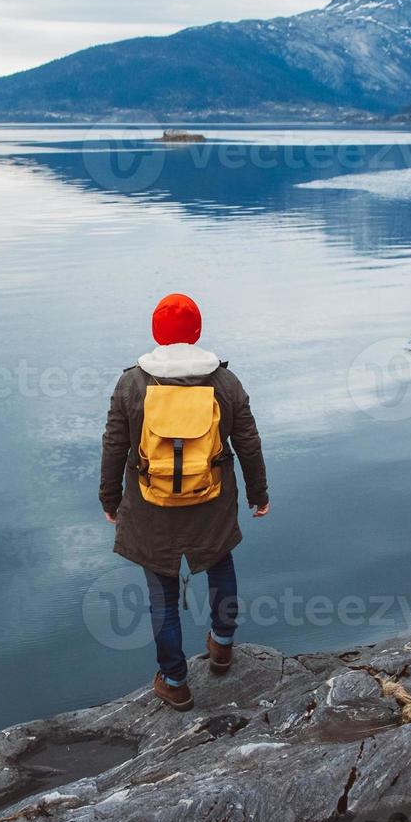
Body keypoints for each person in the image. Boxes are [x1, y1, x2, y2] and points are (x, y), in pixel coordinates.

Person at [100, 293, 269, 711]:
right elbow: (247, 442)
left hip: (149, 505)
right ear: (197, 333)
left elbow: (114, 446)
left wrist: (110, 498)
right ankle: (223, 644)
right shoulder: (224, 382)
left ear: (157, 334)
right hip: (211, 501)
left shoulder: (131, 383)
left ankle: (175, 681)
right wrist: (258, 493)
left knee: (162, 593)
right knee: (220, 564)